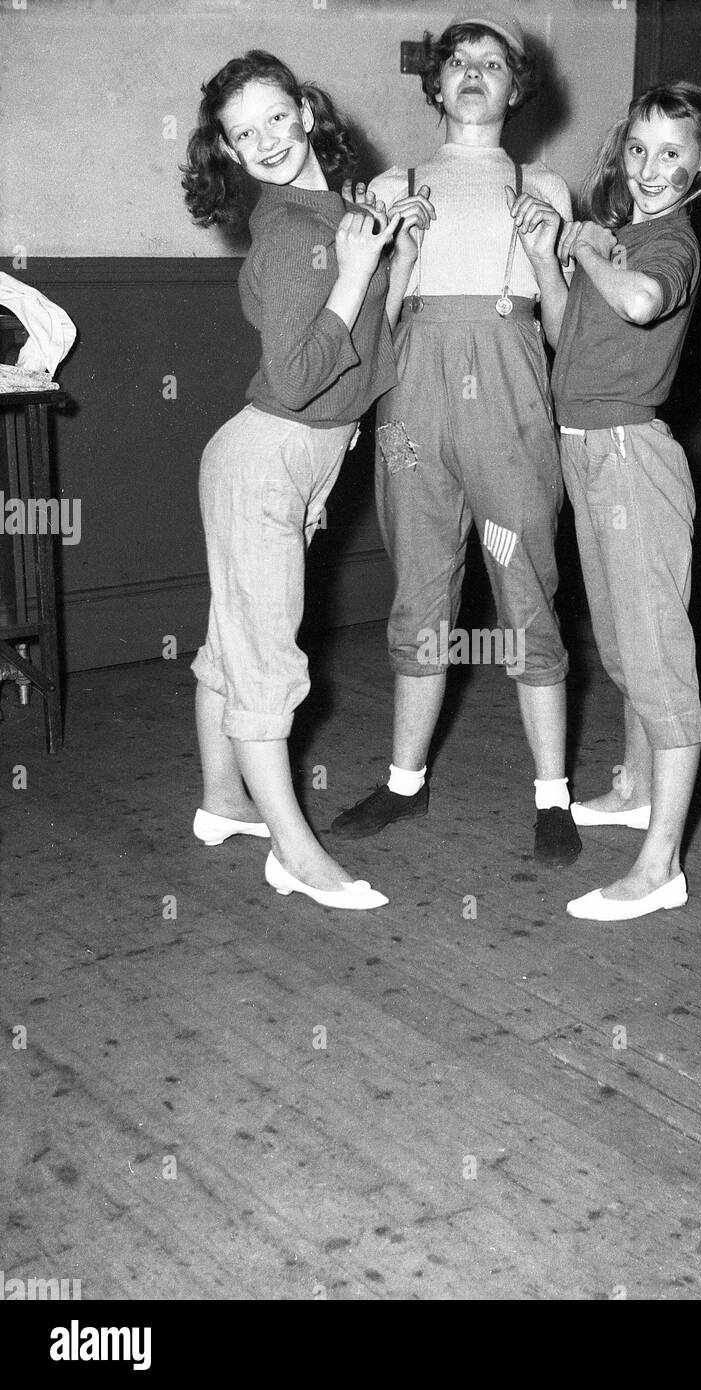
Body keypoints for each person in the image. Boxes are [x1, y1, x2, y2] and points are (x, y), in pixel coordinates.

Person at [331, 11, 583, 868]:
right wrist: (397, 255)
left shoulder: (545, 187)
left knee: (526, 583)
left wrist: (546, 258)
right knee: (421, 584)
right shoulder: (392, 181)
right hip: (413, 401)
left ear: (517, 89)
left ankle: (552, 796)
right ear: (435, 85)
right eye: (458, 61)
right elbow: (375, 321)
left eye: (493, 62)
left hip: (511, 398)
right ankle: (405, 782)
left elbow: (563, 329)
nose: (473, 71)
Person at [181, 50, 427, 911]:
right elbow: (293, 379)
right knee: (266, 661)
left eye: (275, 117)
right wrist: (359, 272)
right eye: (242, 134)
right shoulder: (294, 232)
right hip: (270, 455)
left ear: (307, 111)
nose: (265, 141)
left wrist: (387, 250)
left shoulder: (336, 215)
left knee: (236, 640)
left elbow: (367, 352)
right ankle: (292, 849)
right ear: (228, 153)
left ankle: (221, 798)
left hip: (297, 460)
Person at [507, 80, 701, 918]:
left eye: (672, 155)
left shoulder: (671, 244)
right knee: (621, 645)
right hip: (586, 453)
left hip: (630, 462)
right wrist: (553, 254)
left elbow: (642, 301)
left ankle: (661, 869)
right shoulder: (623, 235)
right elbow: (564, 334)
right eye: (640, 151)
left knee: (658, 662)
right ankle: (635, 788)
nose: (651, 169)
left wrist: (588, 253)